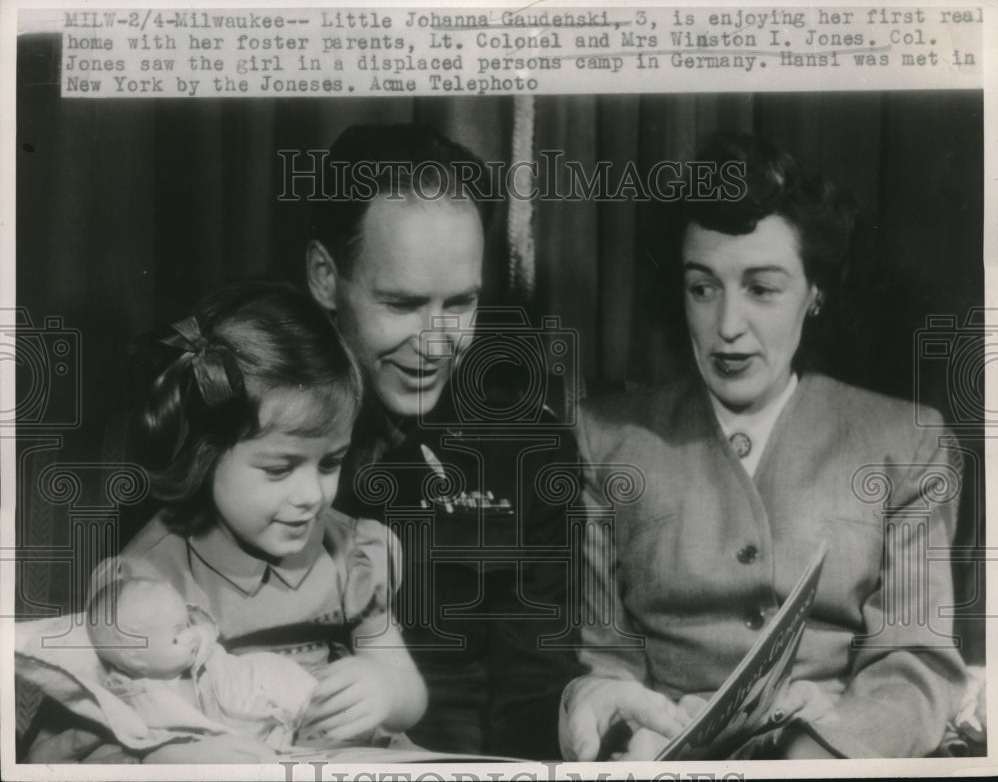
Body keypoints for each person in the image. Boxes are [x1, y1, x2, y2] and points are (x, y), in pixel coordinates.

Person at [560, 133, 967, 760]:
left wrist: (823, 749)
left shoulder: (905, 441)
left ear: (815, 293)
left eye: (762, 288)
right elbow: (605, 663)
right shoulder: (607, 438)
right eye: (703, 287)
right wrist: (622, 716)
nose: (727, 325)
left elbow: (916, 666)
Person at [23, 282, 426, 762]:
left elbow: (408, 693)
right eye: (279, 469)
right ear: (206, 455)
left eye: (329, 463)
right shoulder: (152, 581)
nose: (312, 496)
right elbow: (97, 725)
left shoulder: (350, 551)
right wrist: (168, 758)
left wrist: (386, 690)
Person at [306, 124, 582, 759]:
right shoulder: (249, 422)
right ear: (325, 276)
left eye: (459, 304)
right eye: (401, 304)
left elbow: (531, 696)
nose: (436, 343)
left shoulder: (528, 448)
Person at [87, 578, 317, 750]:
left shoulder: (199, 654)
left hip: (243, 690)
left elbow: (228, 670)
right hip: (224, 746)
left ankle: (313, 708)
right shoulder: (143, 698)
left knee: (272, 672)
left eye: (187, 624)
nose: (191, 636)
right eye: (176, 637)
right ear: (134, 660)